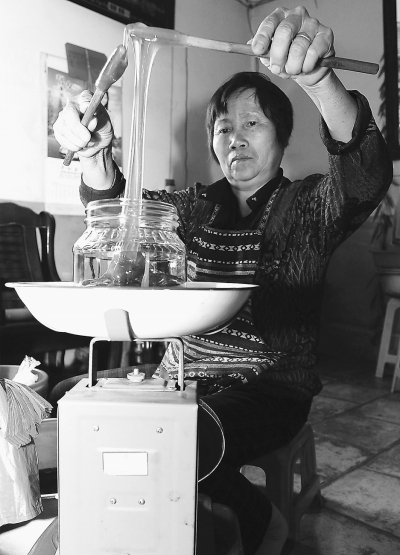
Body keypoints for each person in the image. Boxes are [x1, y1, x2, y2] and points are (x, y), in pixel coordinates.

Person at [53, 6, 393, 555]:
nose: (236, 138)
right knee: (71, 401)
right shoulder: (190, 210)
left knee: (179, 434)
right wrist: (95, 154)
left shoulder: (307, 205)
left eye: (252, 124)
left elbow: (365, 176)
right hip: (181, 375)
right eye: (224, 127)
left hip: (270, 387)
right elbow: (122, 214)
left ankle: (256, 516)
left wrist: (318, 80)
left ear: (281, 137)